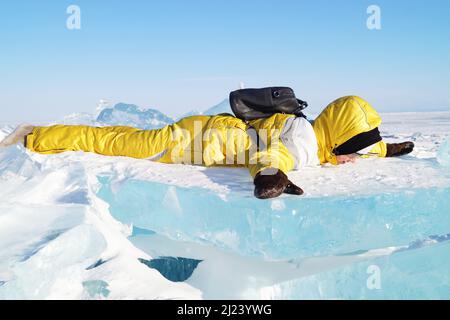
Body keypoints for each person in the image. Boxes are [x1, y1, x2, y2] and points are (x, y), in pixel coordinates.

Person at [0, 96, 414, 199]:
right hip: (192, 143)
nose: (351, 159)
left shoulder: (315, 132)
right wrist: (270, 177)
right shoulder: (304, 145)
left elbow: (355, 147)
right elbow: (269, 157)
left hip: (211, 128)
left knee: (120, 135)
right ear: (340, 138)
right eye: (354, 150)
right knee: (114, 142)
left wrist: (386, 149)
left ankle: (39, 133)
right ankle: (35, 135)